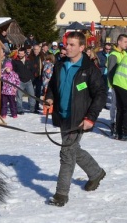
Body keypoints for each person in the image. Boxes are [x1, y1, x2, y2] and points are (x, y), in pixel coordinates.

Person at [43, 31, 107, 207]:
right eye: (67, 44)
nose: (67, 48)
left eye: (72, 45)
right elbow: (53, 86)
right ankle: (96, 173)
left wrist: (90, 118)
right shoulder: (60, 65)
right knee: (72, 149)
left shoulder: (89, 69)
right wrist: (50, 98)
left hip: (79, 117)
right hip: (62, 115)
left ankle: (61, 194)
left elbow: (100, 94)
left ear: (81, 47)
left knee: (66, 153)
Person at [106, 34, 127, 135]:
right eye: (125, 42)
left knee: (122, 105)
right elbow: (110, 71)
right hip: (116, 85)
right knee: (115, 105)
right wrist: (113, 84)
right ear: (119, 42)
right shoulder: (114, 55)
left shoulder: (125, 53)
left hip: (124, 84)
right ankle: (113, 122)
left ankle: (121, 123)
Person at [11, 47, 35, 114]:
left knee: (32, 95)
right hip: (20, 81)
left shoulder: (29, 60)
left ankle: (32, 108)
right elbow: (13, 71)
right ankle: (19, 109)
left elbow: (32, 69)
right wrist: (16, 78)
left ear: (24, 53)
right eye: (19, 53)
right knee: (19, 96)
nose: (20, 55)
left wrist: (31, 78)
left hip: (28, 81)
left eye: (22, 53)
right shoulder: (15, 60)